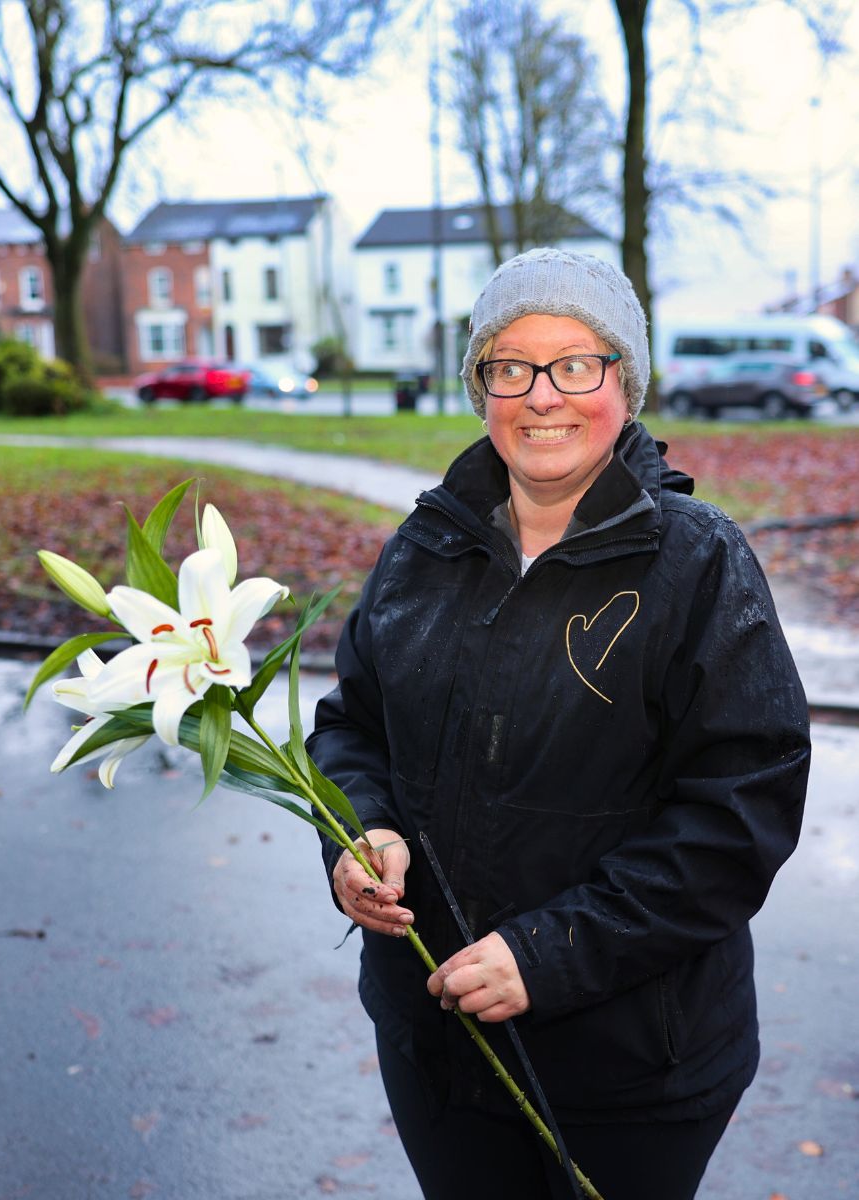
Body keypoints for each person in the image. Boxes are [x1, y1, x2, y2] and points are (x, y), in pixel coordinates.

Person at [306, 248, 810, 1200]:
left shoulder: (698, 567)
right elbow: (350, 729)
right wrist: (357, 830)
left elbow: (739, 816)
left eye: (578, 364)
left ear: (625, 381)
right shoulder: (422, 552)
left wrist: (548, 956)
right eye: (511, 366)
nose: (544, 396)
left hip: (633, 1072)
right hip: (438, 1047)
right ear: (480, 386)